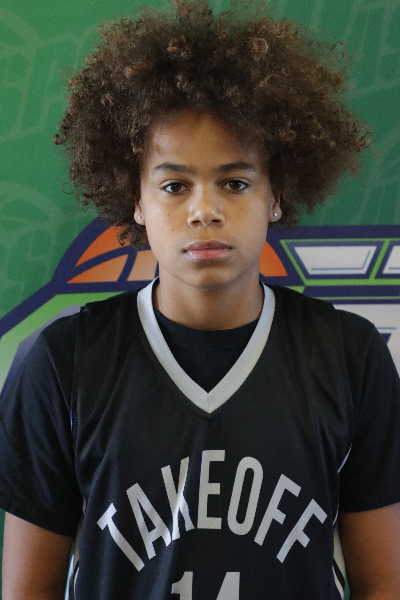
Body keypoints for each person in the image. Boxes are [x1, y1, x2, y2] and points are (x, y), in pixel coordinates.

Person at [1, 1, 400, 598]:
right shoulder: (62, 364)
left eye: (235, 183)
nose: (204, 210)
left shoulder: (350, 357)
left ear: (276, 194)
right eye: (174, 185)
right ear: (135, 199)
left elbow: (383, 584)